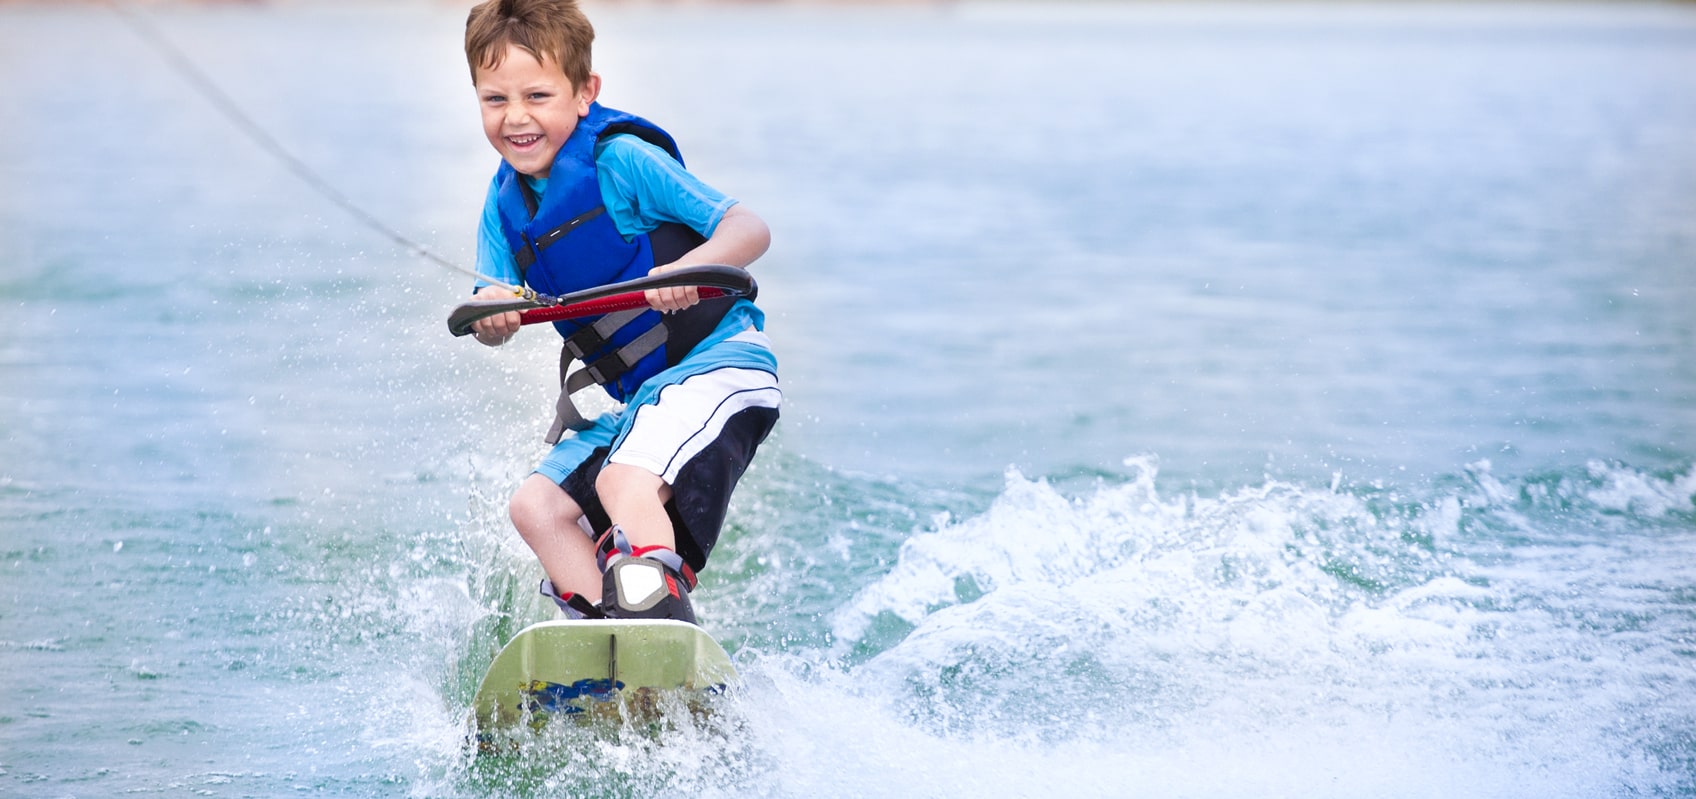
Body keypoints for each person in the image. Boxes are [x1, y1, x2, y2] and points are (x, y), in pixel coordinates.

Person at [461, 0, 779, 624]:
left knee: (621, 483)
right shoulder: (503, 212)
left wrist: (686, 271)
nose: (516, 118)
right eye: (495, 100)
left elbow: (749, 228)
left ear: (585, 93)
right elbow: (489, 305)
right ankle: (609, 639)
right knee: (536, 507)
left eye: (537, 96)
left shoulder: (621, 162)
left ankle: (660, 629)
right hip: (642, 401)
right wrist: (490, 315)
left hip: (722, 367)